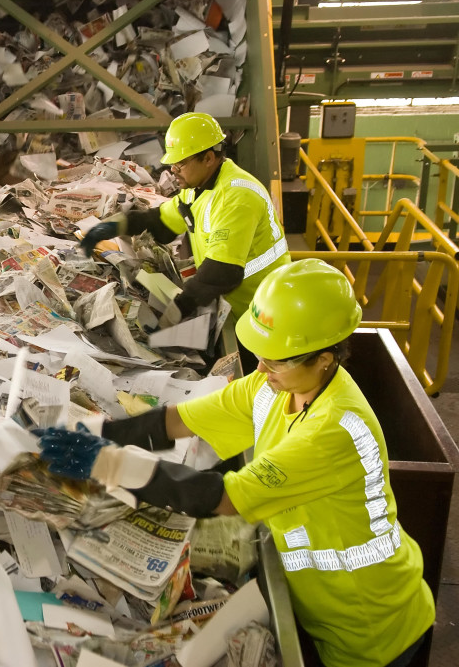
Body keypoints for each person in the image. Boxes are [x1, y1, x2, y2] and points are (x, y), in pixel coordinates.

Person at [36, 259, 434, 667]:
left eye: (276, 359)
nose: (261, 368)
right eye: (261, 354)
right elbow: (178, 421)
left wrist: (109, 465)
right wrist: (94, 434)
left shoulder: (333, 430)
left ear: (325, 358)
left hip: (371, 627)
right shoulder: (276, 386)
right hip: (320, 608)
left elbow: (223, 498)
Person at [79, 112, 289, 325]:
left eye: (180, 164)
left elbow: (222, 272)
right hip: (240, 303)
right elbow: (161, 222)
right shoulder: (198, 187)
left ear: (207, 158)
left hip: (263, 308)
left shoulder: (237, 197)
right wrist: (111, 227)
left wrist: (177, 311)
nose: (173, 170)